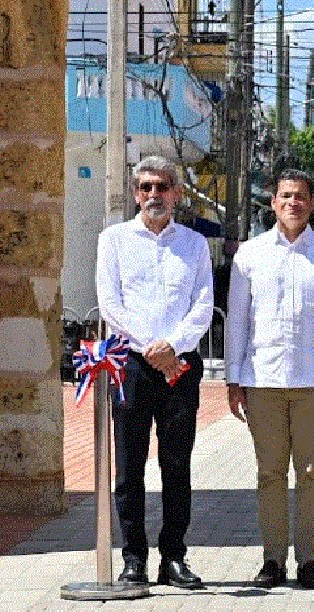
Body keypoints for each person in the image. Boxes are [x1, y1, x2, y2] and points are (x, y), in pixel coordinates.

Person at [225, 169, 314, 590]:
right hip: (262, 379)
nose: (293, 203)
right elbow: (237, 323)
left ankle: (309, 560)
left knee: (312, 472)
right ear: (273, 202)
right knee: (269, 473)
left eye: (300, 196)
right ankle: (272, 559)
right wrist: (233, 378)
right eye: (285, 196)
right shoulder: (250, 255)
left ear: (312, 203)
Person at [96, 155, 213, 588]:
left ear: (177, 193)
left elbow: (203, 306)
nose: (153, 195)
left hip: (181, 367)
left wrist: (174, 348)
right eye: (145, 187)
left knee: (176, 462)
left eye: (162, 187)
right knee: (129, 465)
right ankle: (133, 557)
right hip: (131, 364)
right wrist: (152, 348)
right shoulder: (114, 240)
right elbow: (110, 303)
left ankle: (174, 557)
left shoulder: (195, 245)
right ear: (134, 193)